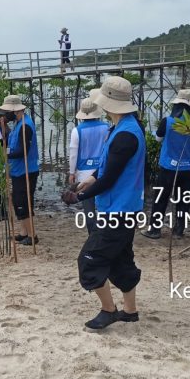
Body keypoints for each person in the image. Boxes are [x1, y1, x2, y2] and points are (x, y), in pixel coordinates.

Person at [61, 76, 144, 331]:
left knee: (90, 260)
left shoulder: (125, 135)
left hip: (118, 210)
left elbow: (110, 179)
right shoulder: (123, 128)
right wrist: (88, 181)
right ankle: (130, 311)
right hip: (123, 206)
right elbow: (107, 168)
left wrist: (79, 197)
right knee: (121, 258)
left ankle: (109, 310)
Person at [142, 89, 190, 239]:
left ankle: (155, 230)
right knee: (184, 199)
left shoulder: (168, 121)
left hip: (168, 167)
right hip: (189, 167)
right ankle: (178, 231)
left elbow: (158, 139)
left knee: (161, 198)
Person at [0, 95, 39, 246]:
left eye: (7, 112)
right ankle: (24, 232)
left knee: (24, 202)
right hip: (17, 170)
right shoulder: (18, 123)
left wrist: (4, 154)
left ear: (15, 111)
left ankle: (32, 235)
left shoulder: (25, 126)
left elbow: (23, 151)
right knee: (18, 202)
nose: (5, 115)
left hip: (26, 170)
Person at [69, 92, 108, 234]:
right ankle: (105, 231)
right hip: (102, 171)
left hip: (84, 174)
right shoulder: (107, 127)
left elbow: (73, 154)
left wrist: (71, 172)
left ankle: (92, 233)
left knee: (89, 207)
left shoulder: (77, 130)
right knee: (104, 205)